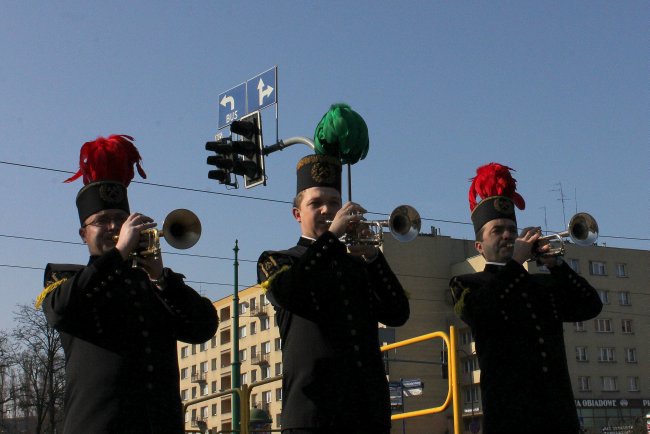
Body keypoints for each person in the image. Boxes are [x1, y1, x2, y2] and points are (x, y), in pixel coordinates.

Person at [37, 135, 218, 434]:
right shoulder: (65, 279)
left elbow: (202, 327)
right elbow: (60, 311)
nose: (112, 227)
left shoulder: (154, 282)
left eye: (120, 219)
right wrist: (119, 254)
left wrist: (161, 277)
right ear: (83, 234)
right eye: (102, 220)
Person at [257, 154, 410, 434]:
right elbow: (290, 290)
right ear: (297, 214)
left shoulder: (357, 265)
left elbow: (397, 313)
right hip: (313, 416)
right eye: (316, 203)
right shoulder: (277, 260)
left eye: (334, 203)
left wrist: (374, 258)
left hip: (367, 413)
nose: (328, 210)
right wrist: (331, 238)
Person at [450, 163, 603, 434]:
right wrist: (516, 263)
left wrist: (556, 265)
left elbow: (590, 305)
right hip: (511, 418)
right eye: (497, 230)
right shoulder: (466, 284)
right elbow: (480, 313)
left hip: (559, 417)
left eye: (511, 228)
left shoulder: (539, 285)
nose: (508, 235)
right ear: (479, 246)